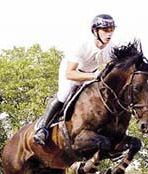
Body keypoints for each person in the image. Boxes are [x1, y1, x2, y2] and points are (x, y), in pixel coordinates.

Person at [33, 14, 117, 145]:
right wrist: (95, 76)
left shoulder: (112, 48)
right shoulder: (82, 45)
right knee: (64, 95)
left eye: (111, 30)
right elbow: (70, 73)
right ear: (95, 31)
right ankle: (42, 128)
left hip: (92, 74)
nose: (109, 34)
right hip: (72, 72)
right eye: (105, 30)